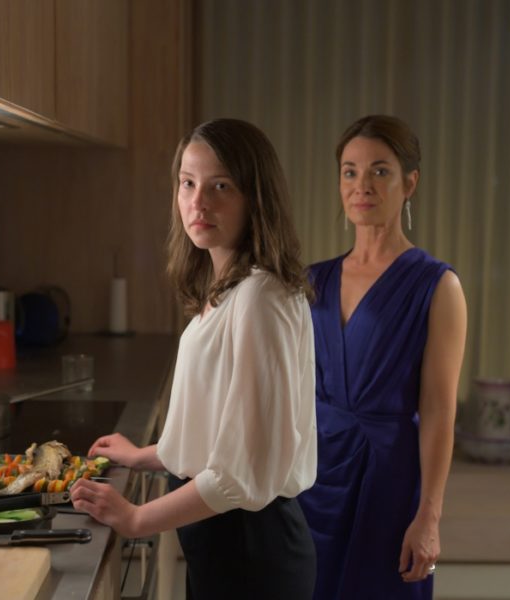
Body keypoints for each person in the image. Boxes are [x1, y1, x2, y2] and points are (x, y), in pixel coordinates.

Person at [71, 118, 318, 599]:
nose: (198, 202)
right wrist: (151, 455)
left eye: (220, 186)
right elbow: (222, 428)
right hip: (226, 542)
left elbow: (244, 471)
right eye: (188, 183)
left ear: (256, 197)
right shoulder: (232, 286)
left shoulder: (259, 297)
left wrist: (137, 518)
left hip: (250, 551)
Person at [297, 114, 467, 600]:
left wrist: (429, 515)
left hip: (388, 485)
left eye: (379, 171)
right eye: (350, 172)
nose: (362, 185)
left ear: (409, 183)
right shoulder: (312, 281)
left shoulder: (437, 285)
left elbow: (439, 410)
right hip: (312, 482)